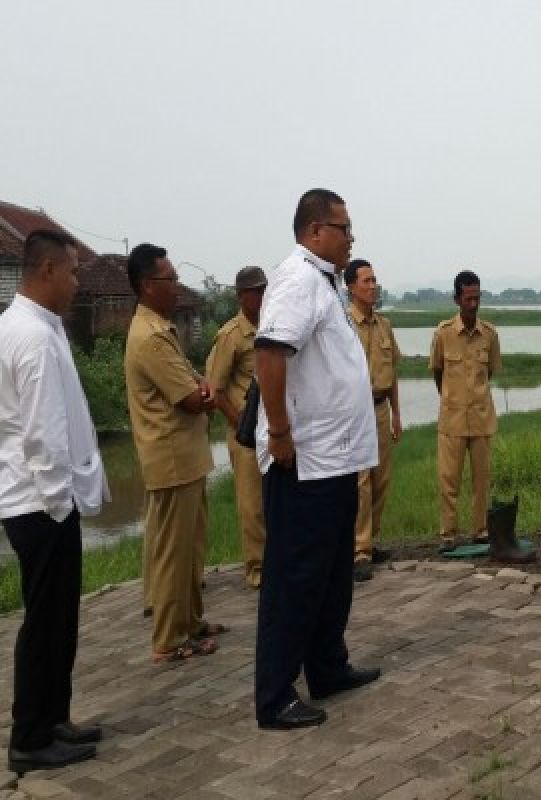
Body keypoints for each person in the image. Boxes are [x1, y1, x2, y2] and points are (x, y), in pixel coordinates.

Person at [253, 189, 380, 730]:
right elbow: (270, 351)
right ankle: (275, 693)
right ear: (314, 231)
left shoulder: (326, 282)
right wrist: (279, 430)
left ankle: (327, 665)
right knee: (296, 577)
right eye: (343, 227)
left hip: (335, 459)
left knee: (332, 573)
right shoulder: (298, 279)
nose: (351, 237)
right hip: (304, 462)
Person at [0, 231, 108, 773]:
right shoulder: (32, 336)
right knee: (45, 621)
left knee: (59, 616)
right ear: (45, 270)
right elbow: (42, 433)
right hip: (39, 503)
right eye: (71, 272)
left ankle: (53, 715)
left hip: (40, 499)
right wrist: (57, 502)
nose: (76, 281)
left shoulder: (31, 326)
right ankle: (30, 737)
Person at [124, 243, 223, 664]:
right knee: (171, 554)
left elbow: (193, 380)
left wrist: (203, 386)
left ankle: (191, 622)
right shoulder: (149, 337)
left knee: (190, 548)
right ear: (148, 286)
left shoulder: (161, 329)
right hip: (171, 459)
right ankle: (168, 639)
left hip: (185, 456)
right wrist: (209, 391)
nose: (176, 287)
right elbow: (190, 396)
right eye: (169, 280)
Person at [430, 271, 503, 554]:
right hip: (452, 419)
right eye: (468, 298)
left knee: (482, 480)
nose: (474, 304)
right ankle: (448, 534)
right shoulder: (444, 334)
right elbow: (438, 372)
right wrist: (452, 397)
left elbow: (490, 374)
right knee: (449, 480)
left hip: (482, 419)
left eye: (477, 298)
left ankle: (481, 531)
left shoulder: (490, 334)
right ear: (457, 299)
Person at [205, 266, 268, 589]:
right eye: (255, 291)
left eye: (263, 289)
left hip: (270, 431)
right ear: (241, 296)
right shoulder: (232, 335)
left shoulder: (271, 326)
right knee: (251, 503)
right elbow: (215, 390)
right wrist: (240, 424)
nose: (261, 296)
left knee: (273, 501)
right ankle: (257, 568)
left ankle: (275, 561)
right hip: (245, 434)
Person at [345, 258, 401, 582]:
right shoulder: (343, 325)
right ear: (351, 286)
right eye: (365, 281)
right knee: (360, 481)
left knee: (381, 478)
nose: (372, 286)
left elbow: (391, 372)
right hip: (355, 411)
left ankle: (372, 538)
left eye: (374, 280)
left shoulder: (384, 325)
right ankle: (359, 549)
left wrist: (397, 415)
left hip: (380, 409)